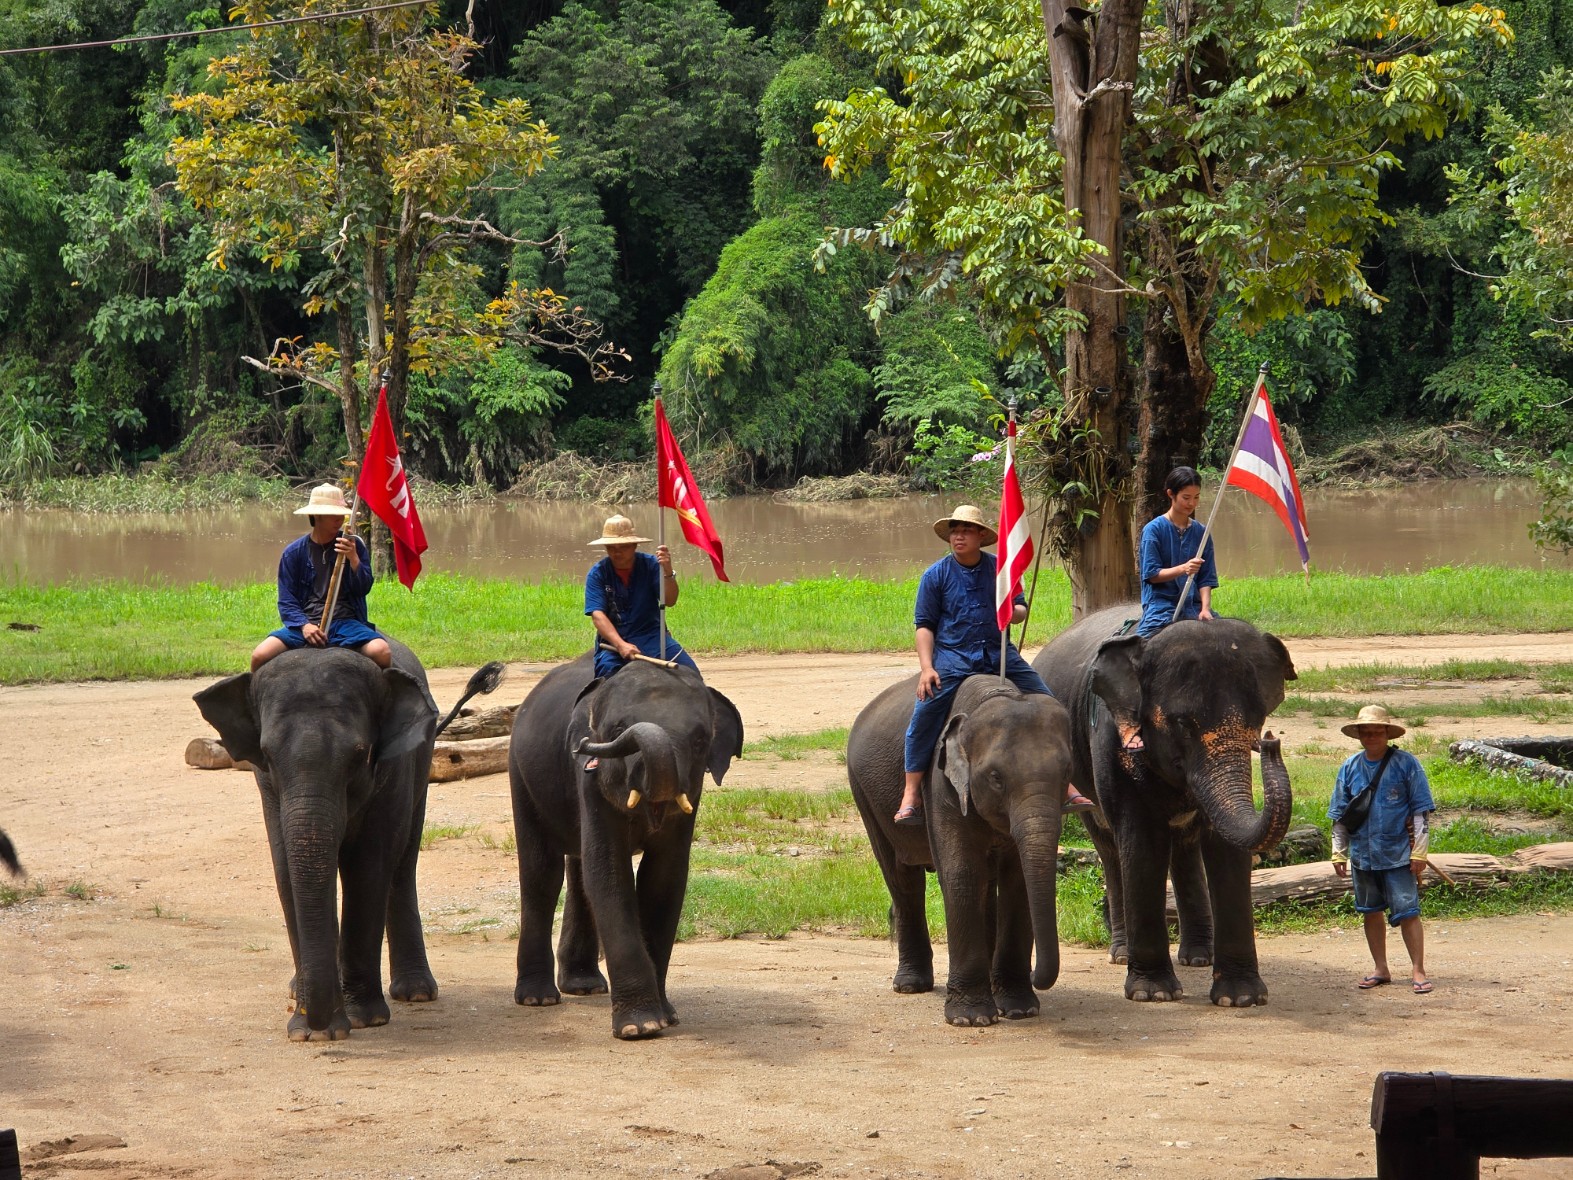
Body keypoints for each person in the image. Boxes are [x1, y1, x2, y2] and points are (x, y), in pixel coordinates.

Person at [893, 505, 1094, 826]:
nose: (958, 536)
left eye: (966, 530)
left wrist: (1014, 613)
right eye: (954, 531)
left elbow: (1020, 608)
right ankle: (911, 793)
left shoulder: (1001, 570)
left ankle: (1065, 783)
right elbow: (924, 625)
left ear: (981, 536)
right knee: (924, 714)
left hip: (999, 654)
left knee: (1051, 707)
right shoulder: (936, 576)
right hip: (953, 657)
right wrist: (927, 667)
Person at [1328, 704, 1435, 994]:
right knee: (1370, 911)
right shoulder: (1349, 768)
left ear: (1387, 733)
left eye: (1377, 731)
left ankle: (1418, 969)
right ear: (1359, 735)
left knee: (1408, 912)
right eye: (1367, 731)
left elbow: (1420, 812)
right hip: (1363, 855)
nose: (1372, 735)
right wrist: (1339, 852)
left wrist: (1419, 852)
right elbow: (1340, 816)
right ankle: (1381, 968)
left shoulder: (1406, 764)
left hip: (1398, 853)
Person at [250, 484, 392, 672]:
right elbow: (287, 601)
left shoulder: (353, 545)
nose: (339, 519)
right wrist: (304, 625)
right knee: (259, 656)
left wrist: (354, 559)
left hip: (345, 621)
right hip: (307, 621)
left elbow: (363, 588)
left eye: (341, 514)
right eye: (333, 514)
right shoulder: (293, 553)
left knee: (382, 651)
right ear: (317, 516)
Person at [585, 514, 697, 679]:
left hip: (652, 636)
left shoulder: (652, 565)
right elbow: (597, 616)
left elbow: (670, 601)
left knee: (691, 674)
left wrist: (667, 572)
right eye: (611, 548)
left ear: (634, 545)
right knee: (607, 681)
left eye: (622, 547)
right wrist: (621, 644)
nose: (616, 553)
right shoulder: (598, 573)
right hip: (613, 644)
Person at [1137, 465, 1218, 639]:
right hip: (1161, 606)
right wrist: (1184, 569)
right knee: (1143, 650)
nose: (1192, 503)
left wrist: (1205, 609)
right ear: (1171, 494)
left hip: (1194, 606)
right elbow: (1152, 574)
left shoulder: (1202, 533)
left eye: (1196, 497)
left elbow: (1206, 578)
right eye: (1186, 497)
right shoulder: (1153, 531)